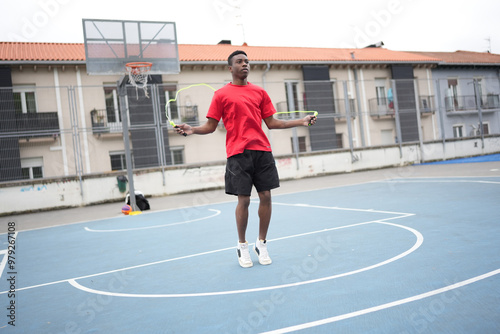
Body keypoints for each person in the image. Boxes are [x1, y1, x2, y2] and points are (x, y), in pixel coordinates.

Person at [174, 50, 317, 268]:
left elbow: (273, 123)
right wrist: (192, 130)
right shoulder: (221, 95)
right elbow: (211, 127)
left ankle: (262, 243)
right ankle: (242, 246)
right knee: (244, 200)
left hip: (262, 151)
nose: (245, 64)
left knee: (266, 196)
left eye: (247, 61)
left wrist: (301, 122)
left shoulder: (260, 92)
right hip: (238, 154)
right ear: (230, 68)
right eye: (239, 62)